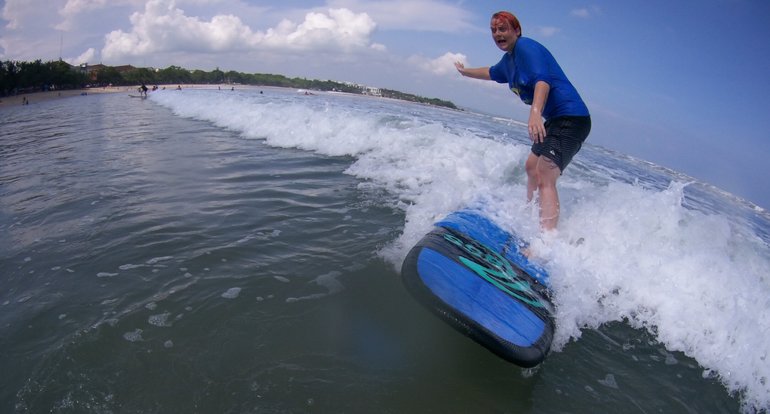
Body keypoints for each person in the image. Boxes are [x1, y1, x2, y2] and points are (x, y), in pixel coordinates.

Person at [455, 11, 591, 231]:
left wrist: (535, 112)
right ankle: (530, 213)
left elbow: (542, 81)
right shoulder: (509, 61)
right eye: (493, 30)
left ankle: (547, 239)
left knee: (545, 172)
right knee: (531, 166)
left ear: (516, 31)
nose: (497, 34)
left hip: (572, 118)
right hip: (556, 120)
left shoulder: (526, 48)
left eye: (503, 28)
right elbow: (489, 72)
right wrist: (465, 72)